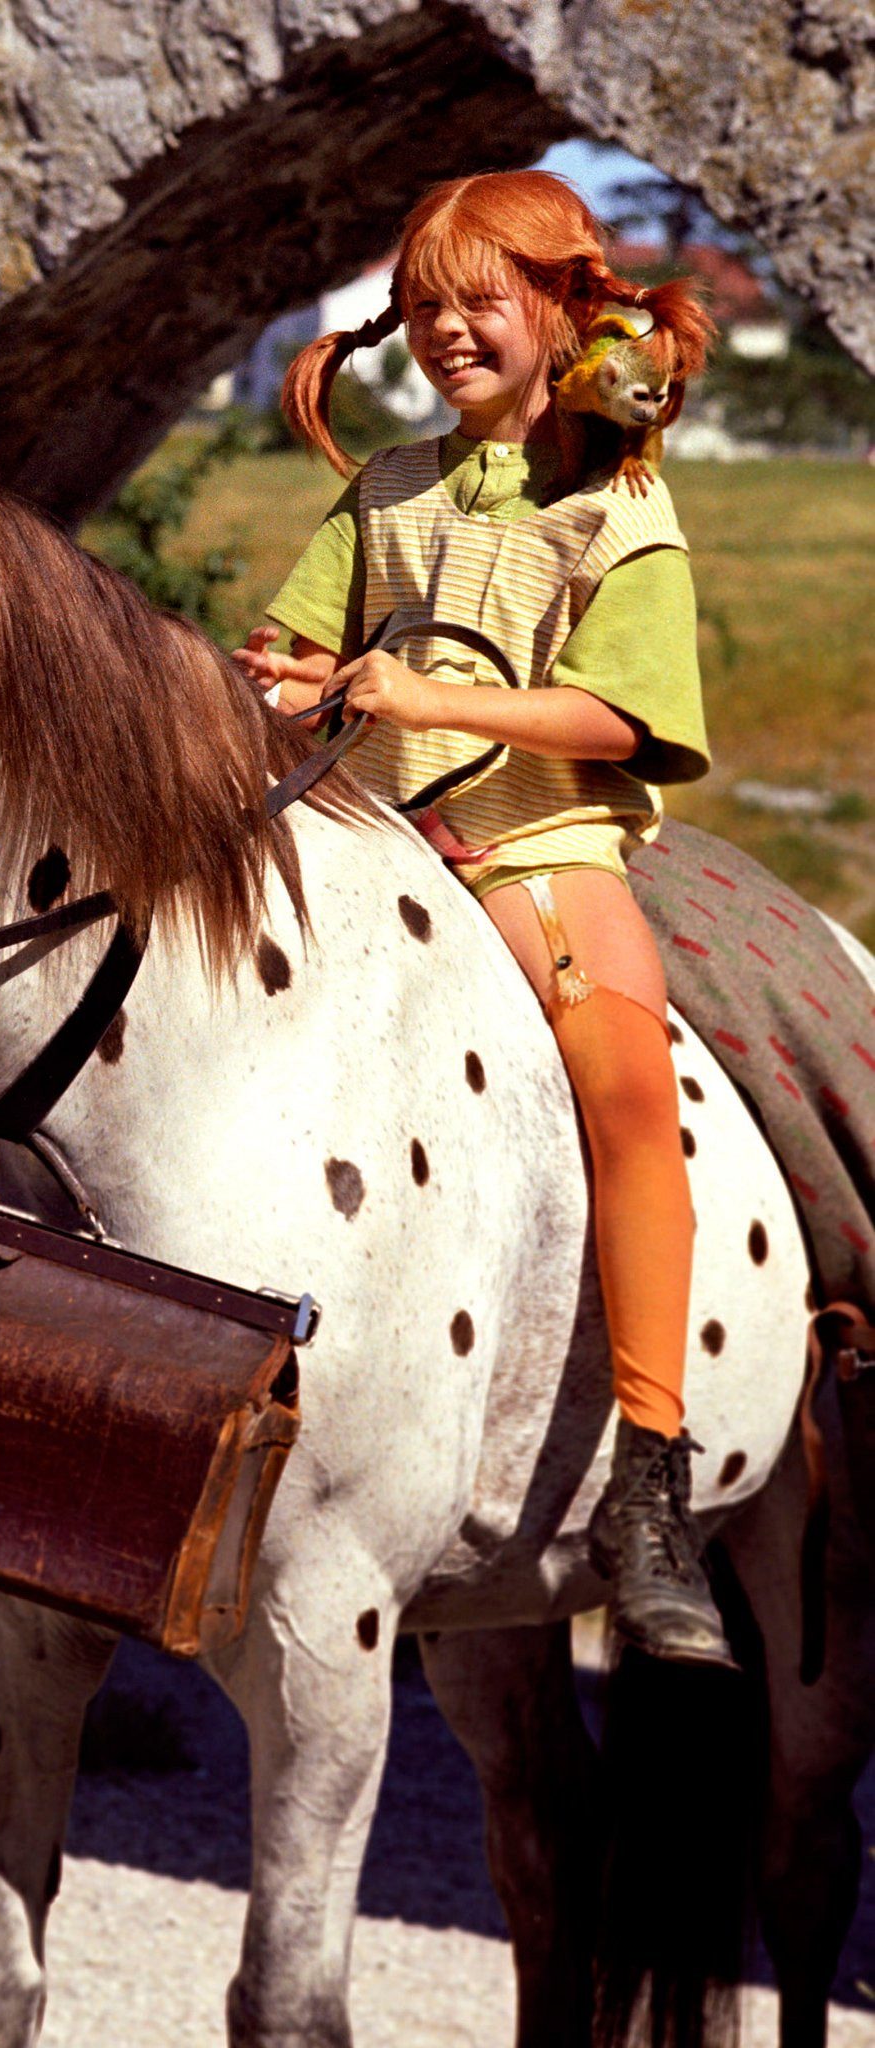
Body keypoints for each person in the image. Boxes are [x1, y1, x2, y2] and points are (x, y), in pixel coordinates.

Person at [232, 169, 732, 1668]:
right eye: (426, 307)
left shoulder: (616, 505)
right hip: (362, 839)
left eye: (480, 302)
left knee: (627, 1090)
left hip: (533, 849)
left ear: (565, 309)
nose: (447, 331)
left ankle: (650, 1477)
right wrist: (278, 683)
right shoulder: (383, 486)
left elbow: (618, 714)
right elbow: (285, 648)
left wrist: (420, 692)